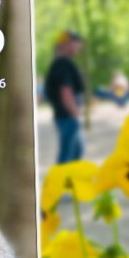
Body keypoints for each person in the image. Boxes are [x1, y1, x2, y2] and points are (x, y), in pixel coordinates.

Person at [45, 31, 86, 164]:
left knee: (76, 153)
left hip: (66, 117)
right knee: (67, 157)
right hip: (68, 117)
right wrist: (74, 113)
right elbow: (66, 92)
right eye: (76, 44)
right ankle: (61, 183)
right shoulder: (63, 65)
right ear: (67, 44)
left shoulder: (58, 64)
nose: (78, 48)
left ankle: (70, 182)